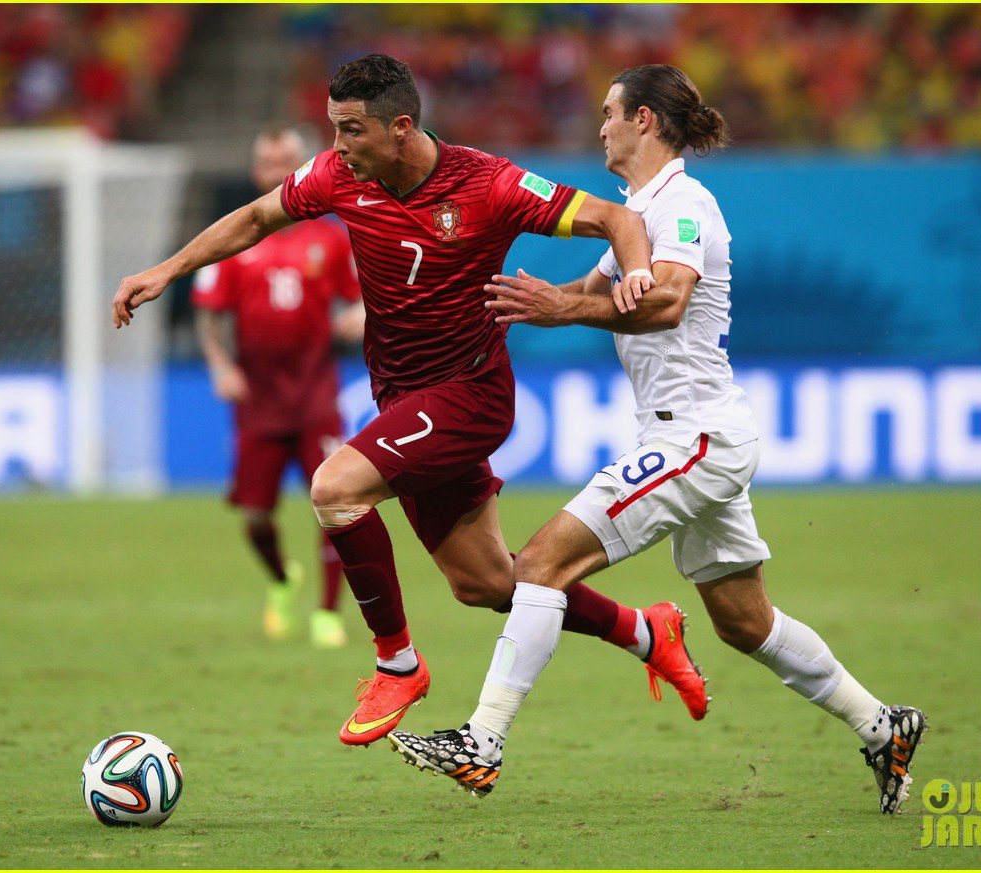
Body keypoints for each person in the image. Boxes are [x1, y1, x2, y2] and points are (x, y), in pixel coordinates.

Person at [112, 54, 709, 750]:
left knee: (335, 489)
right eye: (333, 129)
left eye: (351, 131)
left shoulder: (489, 184)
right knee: (487, 583)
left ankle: (397, 661)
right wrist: (163, 271)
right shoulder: (339, 176)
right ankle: (647, 630)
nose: (336, 148)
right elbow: (254, 219)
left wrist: (636, 273)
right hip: (402, 398)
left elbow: (615, 217)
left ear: (400, 128)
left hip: (470, 394)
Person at [388, 64, 927, 815]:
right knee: (744, 622)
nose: (600, 125)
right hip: (693, 435)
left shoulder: (684, 205)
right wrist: (504, 304)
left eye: (610, 112)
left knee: (540, 562)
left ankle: (482, 740)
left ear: (643, 119)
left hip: (694, 436)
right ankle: (883, 722)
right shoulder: (638, 212)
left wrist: (566, 310)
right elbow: (581, 292)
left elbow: (668, 299)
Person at [192, 125, 364, 649]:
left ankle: (328, 613)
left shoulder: (330, 237)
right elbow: (209, 318)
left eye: (288, 161)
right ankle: (281, 578)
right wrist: (221, 365)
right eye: (269, 163)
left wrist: (357, 316)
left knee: (337, 503)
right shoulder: (235, 241)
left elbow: (359, 298)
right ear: (256, 172)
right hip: (258, 402)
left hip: (316, 395)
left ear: (304, 166)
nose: (278, 171)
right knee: (255, 516)